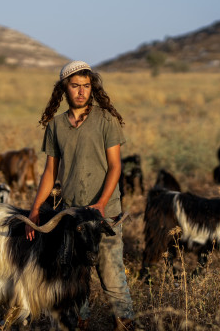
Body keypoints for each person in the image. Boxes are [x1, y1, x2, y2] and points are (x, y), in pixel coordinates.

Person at [25, 60, 137, 331]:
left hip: (104, 215)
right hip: (71, 218)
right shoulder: (56, 125)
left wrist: (99, 204)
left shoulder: (106, 119)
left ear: (92, 87)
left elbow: (115, 167)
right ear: (64, 89)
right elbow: (50, 173)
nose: (81, 91)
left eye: (86, 86)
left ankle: (126, 324)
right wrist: (35, 209)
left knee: (113, 281)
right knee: (75, 285)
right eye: (75, 86)